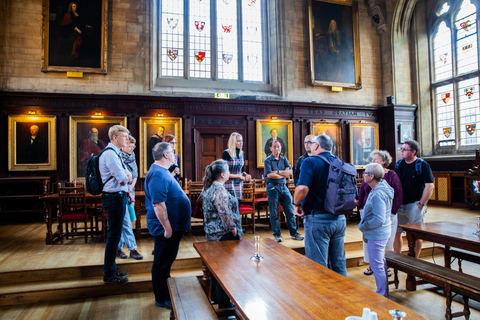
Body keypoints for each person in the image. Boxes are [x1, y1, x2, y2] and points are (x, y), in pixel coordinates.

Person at [293, 134, 347, 276]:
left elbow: (302, 188)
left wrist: (296, 203)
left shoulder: (310, 162)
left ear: (316, 146)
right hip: (339, 218)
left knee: (317, 266)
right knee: (339, 263)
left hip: (318, 219)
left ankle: (321, 298)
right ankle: (342, 296)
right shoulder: (339, 162)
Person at [145, 142, 191, 309]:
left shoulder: (162, 172)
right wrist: (168, 228)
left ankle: (165, 292)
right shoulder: (158, 174)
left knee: (166, 261)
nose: (174, 154)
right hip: (166, 227)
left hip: (172, 225)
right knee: (162, 262)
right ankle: (162, 297)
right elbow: (158, 204)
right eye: (172, 152)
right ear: (165, 155)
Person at [202, 159, 243, 308]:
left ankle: (217, 297)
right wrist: (233, 228)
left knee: (216, 267)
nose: (229, 174)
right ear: (223, 174)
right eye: (228, 171)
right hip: (223, 234)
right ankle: (225, 303)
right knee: (226, 269)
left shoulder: (208, 187)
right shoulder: (219, 190)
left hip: (212, 233)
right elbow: (224, 212)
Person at [359, 150, 403, 276]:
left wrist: (393, 212)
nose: (372, 161)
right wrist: (361, 208)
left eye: (376, 159)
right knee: (368, 240)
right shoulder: (369, 174)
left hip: (387, 214)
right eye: (372, 159)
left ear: (384, 161)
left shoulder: (391, 175)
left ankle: (385, 265)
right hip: (368, 212)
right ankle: (371, 265)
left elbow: (398, 194)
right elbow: (362, 191)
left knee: (386, 240)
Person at [99, 125, 133, 284]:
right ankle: (109, 273)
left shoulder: (116, 153)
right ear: (114, 137)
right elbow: (123, 178)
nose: (127, 139)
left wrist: (126, 175)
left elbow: (129, 174)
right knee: (114, 235)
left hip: (118, 196)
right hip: (113, 197)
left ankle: (111, 269)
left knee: (116, 235)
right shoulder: (110, 154)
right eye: (124, 136)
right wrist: (126, 175)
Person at [393, 140, 434, 258]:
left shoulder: (422, 165)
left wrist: (421, 204)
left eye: (405, 149)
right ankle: (398, 258)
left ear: (413, 152)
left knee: (416, 234)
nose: (401, 151)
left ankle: (414, 260)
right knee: (397, 232)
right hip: (400, 204)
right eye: (401, 149)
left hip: (415, 203)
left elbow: (429, 186)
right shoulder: (399, 164)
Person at [358, 163, 394, 298]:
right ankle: (383, 291)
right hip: (380, 232)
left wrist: (363, 225)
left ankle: (382, 294)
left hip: (377, 234)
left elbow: (379, 219)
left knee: (376, 265)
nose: (363, 175)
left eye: (365, 173)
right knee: (380, 263)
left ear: (372, 176)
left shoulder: (378, 194)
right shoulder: (379, 188)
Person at [264, 140, 304, 243]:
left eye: (278, 147)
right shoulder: (268, 160)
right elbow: (269, 175)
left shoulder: (284, 159)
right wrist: (283, 173)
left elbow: (290, 172)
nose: (277, 148)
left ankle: (294, 233)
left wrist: (277, 172)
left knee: (290, 211)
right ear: (271, 148)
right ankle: (277, 234)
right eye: (274, 147)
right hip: (272, 187)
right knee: (274, 213)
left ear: (281, 148)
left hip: (283, 187)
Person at [116, 135, 143, 260]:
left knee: (124, 221)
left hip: (129, 191)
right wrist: (127, 190)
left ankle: (120, 248)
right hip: (121, 192)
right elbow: (121, 177)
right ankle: (130, 248)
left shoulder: (132, 157)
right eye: (130, 146)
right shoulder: (118, 156)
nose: (132, 149)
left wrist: (130, 189)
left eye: (133, 147)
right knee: (124, 222)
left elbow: (135, 175)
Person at [222, 132, 251, 200]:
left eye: (242, 141)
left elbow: (242, 170)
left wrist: (246, 174)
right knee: (230, 207)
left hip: (239, 184)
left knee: (237, 206)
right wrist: (238, 176)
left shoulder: (242, 153)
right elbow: (224, 173)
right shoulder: (226, 153)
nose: (241, 143)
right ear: (233, 142)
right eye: (238, 141)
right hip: (228, 184)